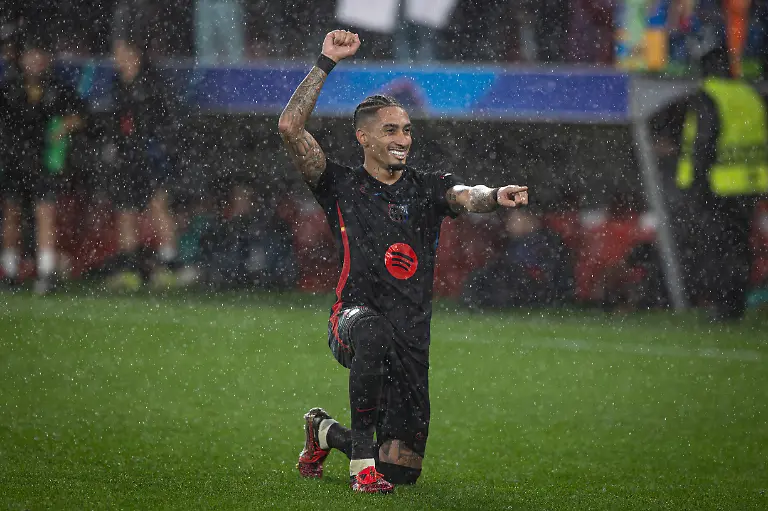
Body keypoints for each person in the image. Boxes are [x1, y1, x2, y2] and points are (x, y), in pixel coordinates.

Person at [277, 30, 529, 494]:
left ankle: (323, 431)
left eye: (407, 130)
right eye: (391, 130)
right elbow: (291, 127)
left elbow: (465, 196)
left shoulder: (426, 187)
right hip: (351, 317)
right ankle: (360, 471)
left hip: (412, 336)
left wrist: (494, 195)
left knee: (404, 473)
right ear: (363, 137)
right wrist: (325, 62)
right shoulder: (340, 184)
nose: (403, 139)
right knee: (370, 332)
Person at [675, 42, 768, 321]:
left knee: (716, 247)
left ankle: (724, 308)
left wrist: (696, 183)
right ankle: (736, 305)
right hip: (750, 182)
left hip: (719, 184)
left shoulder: (710, 95)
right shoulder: (749, 93)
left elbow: (705, 142)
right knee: (739, 245)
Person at [0, 35, 86, 294]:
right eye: (30, 55)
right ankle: (10, 273)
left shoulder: (58, 88)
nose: (35, 61)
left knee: (45, 215)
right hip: (14, 160)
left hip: (44, 161)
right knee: (12, 216)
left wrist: (63, 127)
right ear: (22, 59)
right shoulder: (9, 87)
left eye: (40, 55)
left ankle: (45, 275)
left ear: (47, 60)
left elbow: (81, 116)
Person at [104, 38, 180, 291]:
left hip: (149, 154)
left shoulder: (151, 85)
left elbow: (164, 120)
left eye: (121, 52)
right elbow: (118, 121)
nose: (117, 58)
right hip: (127, 156)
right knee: (126, 210)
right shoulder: (118, 84)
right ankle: (130, 267)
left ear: (134, 54)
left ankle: (169, 264)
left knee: (158, 204)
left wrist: (159, 147)